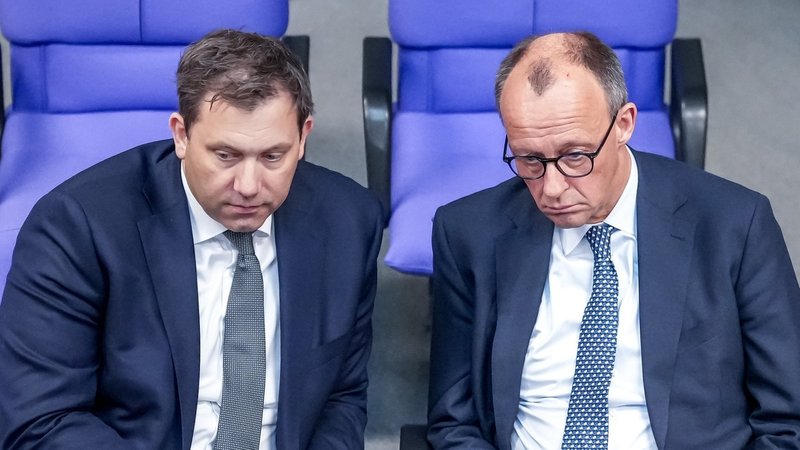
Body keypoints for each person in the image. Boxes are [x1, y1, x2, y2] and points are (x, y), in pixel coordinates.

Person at [0, 29, 384, 449]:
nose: (250, 185)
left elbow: (341, 399)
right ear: (181, 135)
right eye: (226, 155)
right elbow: (41, 420)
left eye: (273, 156)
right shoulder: (78, 226)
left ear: (303, 136)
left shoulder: (349, 221)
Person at [427, 31, 800, 449]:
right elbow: (453, 423)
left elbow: (788, 420)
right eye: (529, 159)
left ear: (624, 124)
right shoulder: (467, 232)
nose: (551, 188)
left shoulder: (733, 224)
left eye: (575, 156)